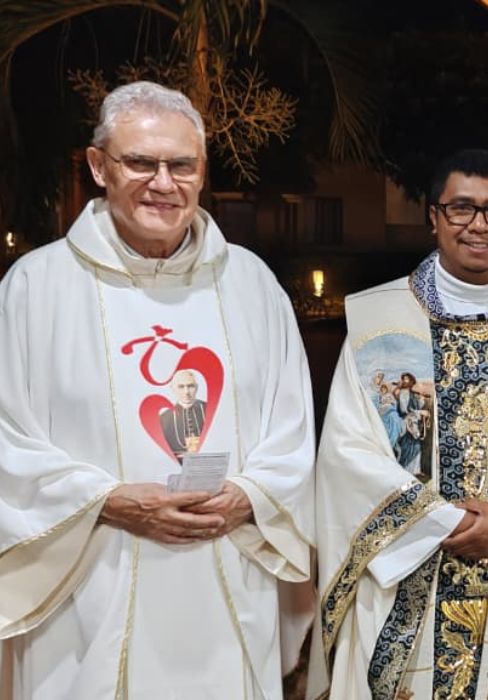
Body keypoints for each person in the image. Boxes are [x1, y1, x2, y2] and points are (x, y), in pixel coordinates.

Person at [0, 81, 315, 699]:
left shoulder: (251, 284)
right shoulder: (35, 288)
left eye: (181, 165)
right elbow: (6, 440)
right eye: (140, 162)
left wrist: (249, 496)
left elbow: (294, 430)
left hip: (227, 569)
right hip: (89, 585)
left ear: (203, 171)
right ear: (99, 167)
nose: (163, 184)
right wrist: (108, 502)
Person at [310, 149, 488, 700]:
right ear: (434, 216)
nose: (478, 225)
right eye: (461, 207)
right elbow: (348, 452)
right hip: (408, 573)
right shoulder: (377, 323)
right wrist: (444, 522)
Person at [160, 369, 208, 457]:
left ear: (197, 387)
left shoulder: (210, 409)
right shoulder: (163, 419)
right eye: (181, 387)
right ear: (173, 389)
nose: (186, 392)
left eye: (190, 386)